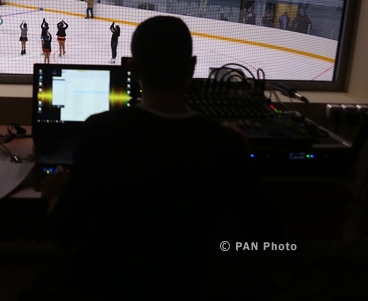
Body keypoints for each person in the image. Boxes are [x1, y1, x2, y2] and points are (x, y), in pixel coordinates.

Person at [39, 16, 277, 300]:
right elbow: (266, 235)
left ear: (133, 69)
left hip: (106, 285)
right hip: (189, 286)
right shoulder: (224, 144)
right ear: (191, 67)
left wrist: (55, 195)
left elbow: (64, 236)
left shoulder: (98, 132)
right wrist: (241, 155)